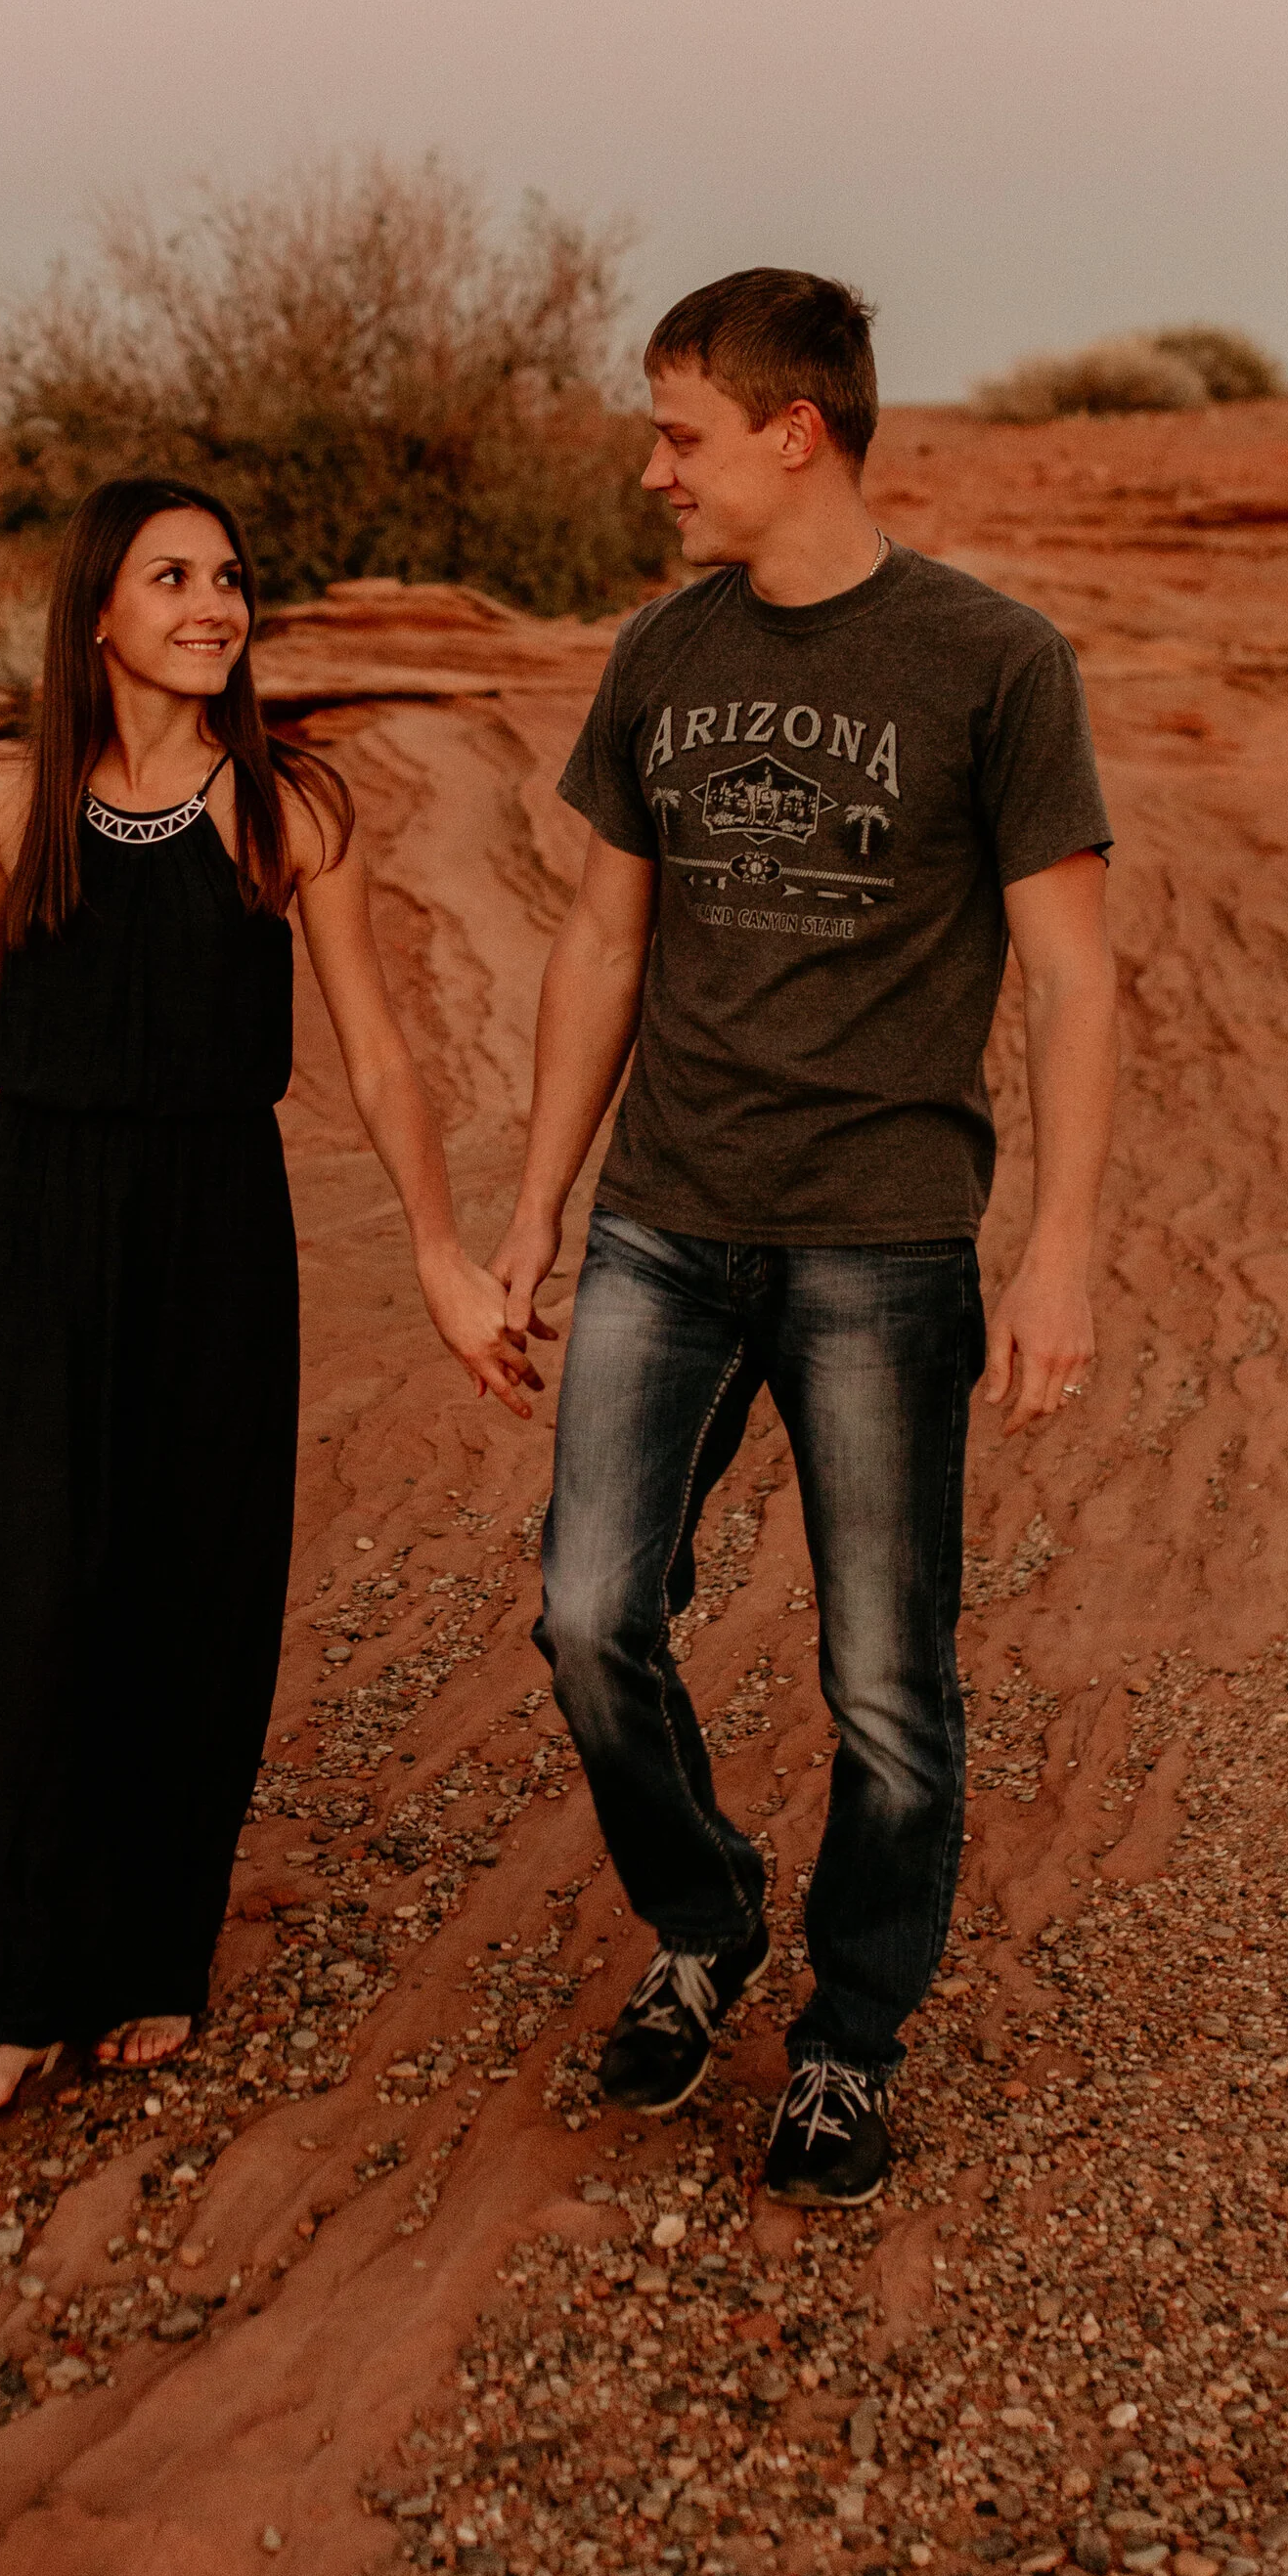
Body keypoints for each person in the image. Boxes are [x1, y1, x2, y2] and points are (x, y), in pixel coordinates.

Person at [493, 269, 1118, 2207]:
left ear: (796, 430)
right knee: (589, 1614)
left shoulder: (989, 662)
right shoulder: (658, 660)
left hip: (877, 1245)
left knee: (880, 1682)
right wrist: (529, 1216)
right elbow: (600, 940)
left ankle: (848, 2036)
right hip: (663, 1225)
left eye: (678, 433)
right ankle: (701, 1921)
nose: (651, 468)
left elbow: (1076, 985)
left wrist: (1058, 1253)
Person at [0, 473, 532, 2120]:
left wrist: (444, 1254)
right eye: (171, 576)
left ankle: (151, 1954)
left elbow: (381, 1053)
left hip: (222, 1227)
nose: (212, 604)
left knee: (196, 1596)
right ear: (96, 610)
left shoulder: (288, 806)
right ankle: (10, 1978)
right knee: (45, 1601)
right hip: (43, 1220)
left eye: (230, 577)